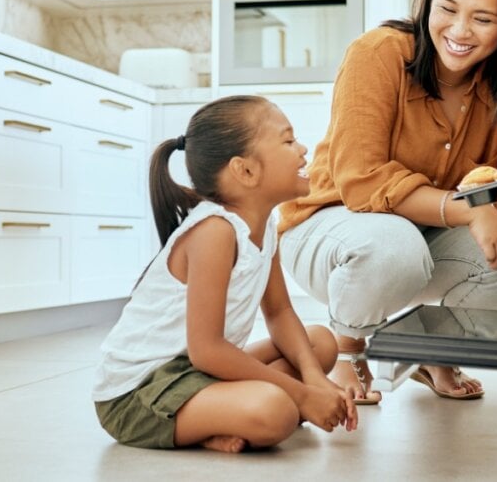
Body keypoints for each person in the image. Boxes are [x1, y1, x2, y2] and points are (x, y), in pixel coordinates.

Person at [278, 0, 497, 403]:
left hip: (425, 237)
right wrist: (469, 209)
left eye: (482, 19)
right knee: (394, 248)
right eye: (447, 8)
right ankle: (348, 350)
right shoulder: (379, 54)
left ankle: (436, 348)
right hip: (332, 228)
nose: (460, 30)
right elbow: (362, 181)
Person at [93, 95, 358, 452]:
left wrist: (313, 380)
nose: (303, 149)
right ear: (245, 170)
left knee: (320, 344)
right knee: (275, 409)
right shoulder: (214, 232)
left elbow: (279, 312)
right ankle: (218, 421)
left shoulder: (265, 226)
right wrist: (301, 395)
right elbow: (207, 351)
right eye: (288, 140)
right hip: (138, 393)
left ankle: (221, 415)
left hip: (194, 372)